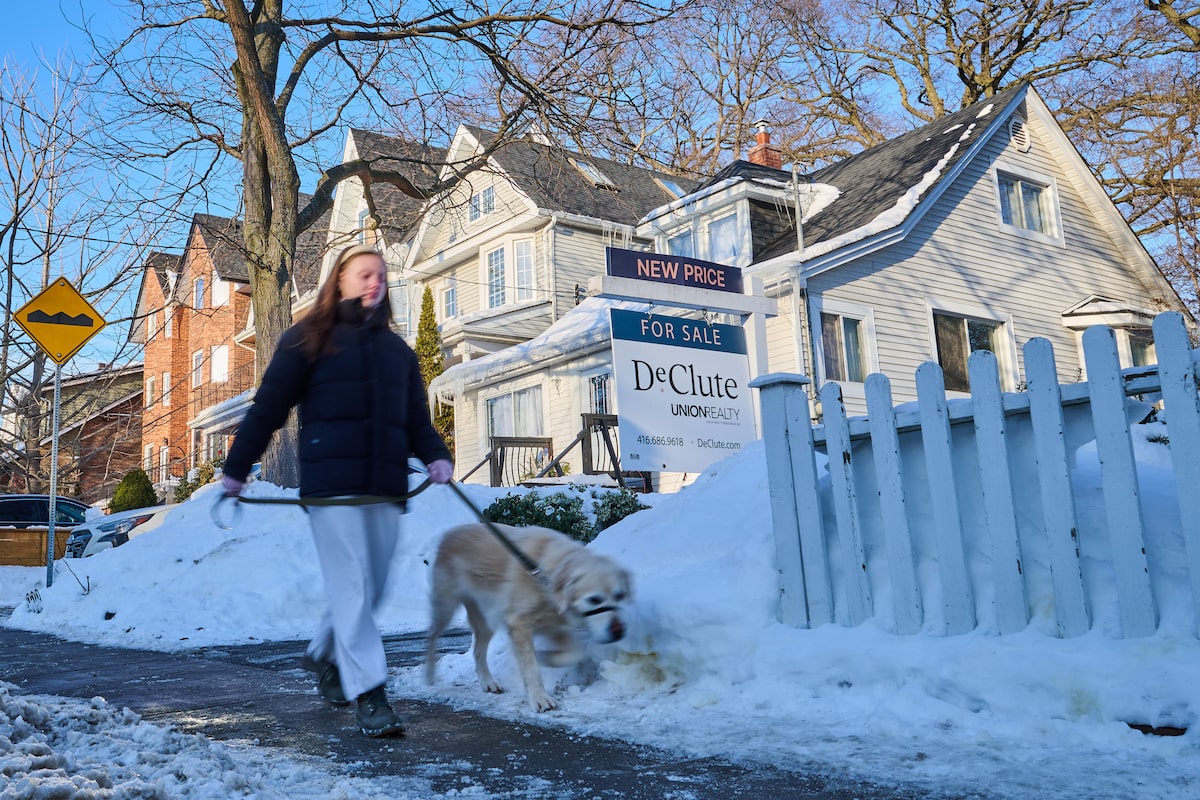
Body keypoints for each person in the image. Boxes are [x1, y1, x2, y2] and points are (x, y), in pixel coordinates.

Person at [220, 243, 453, 738]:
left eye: (381, 275)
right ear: (339, 281)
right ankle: (369, 693)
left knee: (374, 589)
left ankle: (326, 652)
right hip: (332, 489)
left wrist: (436, 454)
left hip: (384, 487)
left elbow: (417, 419)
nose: (375, 282)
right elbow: (268, 407)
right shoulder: (308, 338)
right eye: (364, 274)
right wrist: (237, 467)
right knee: (352, 587)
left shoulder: (398, 353)